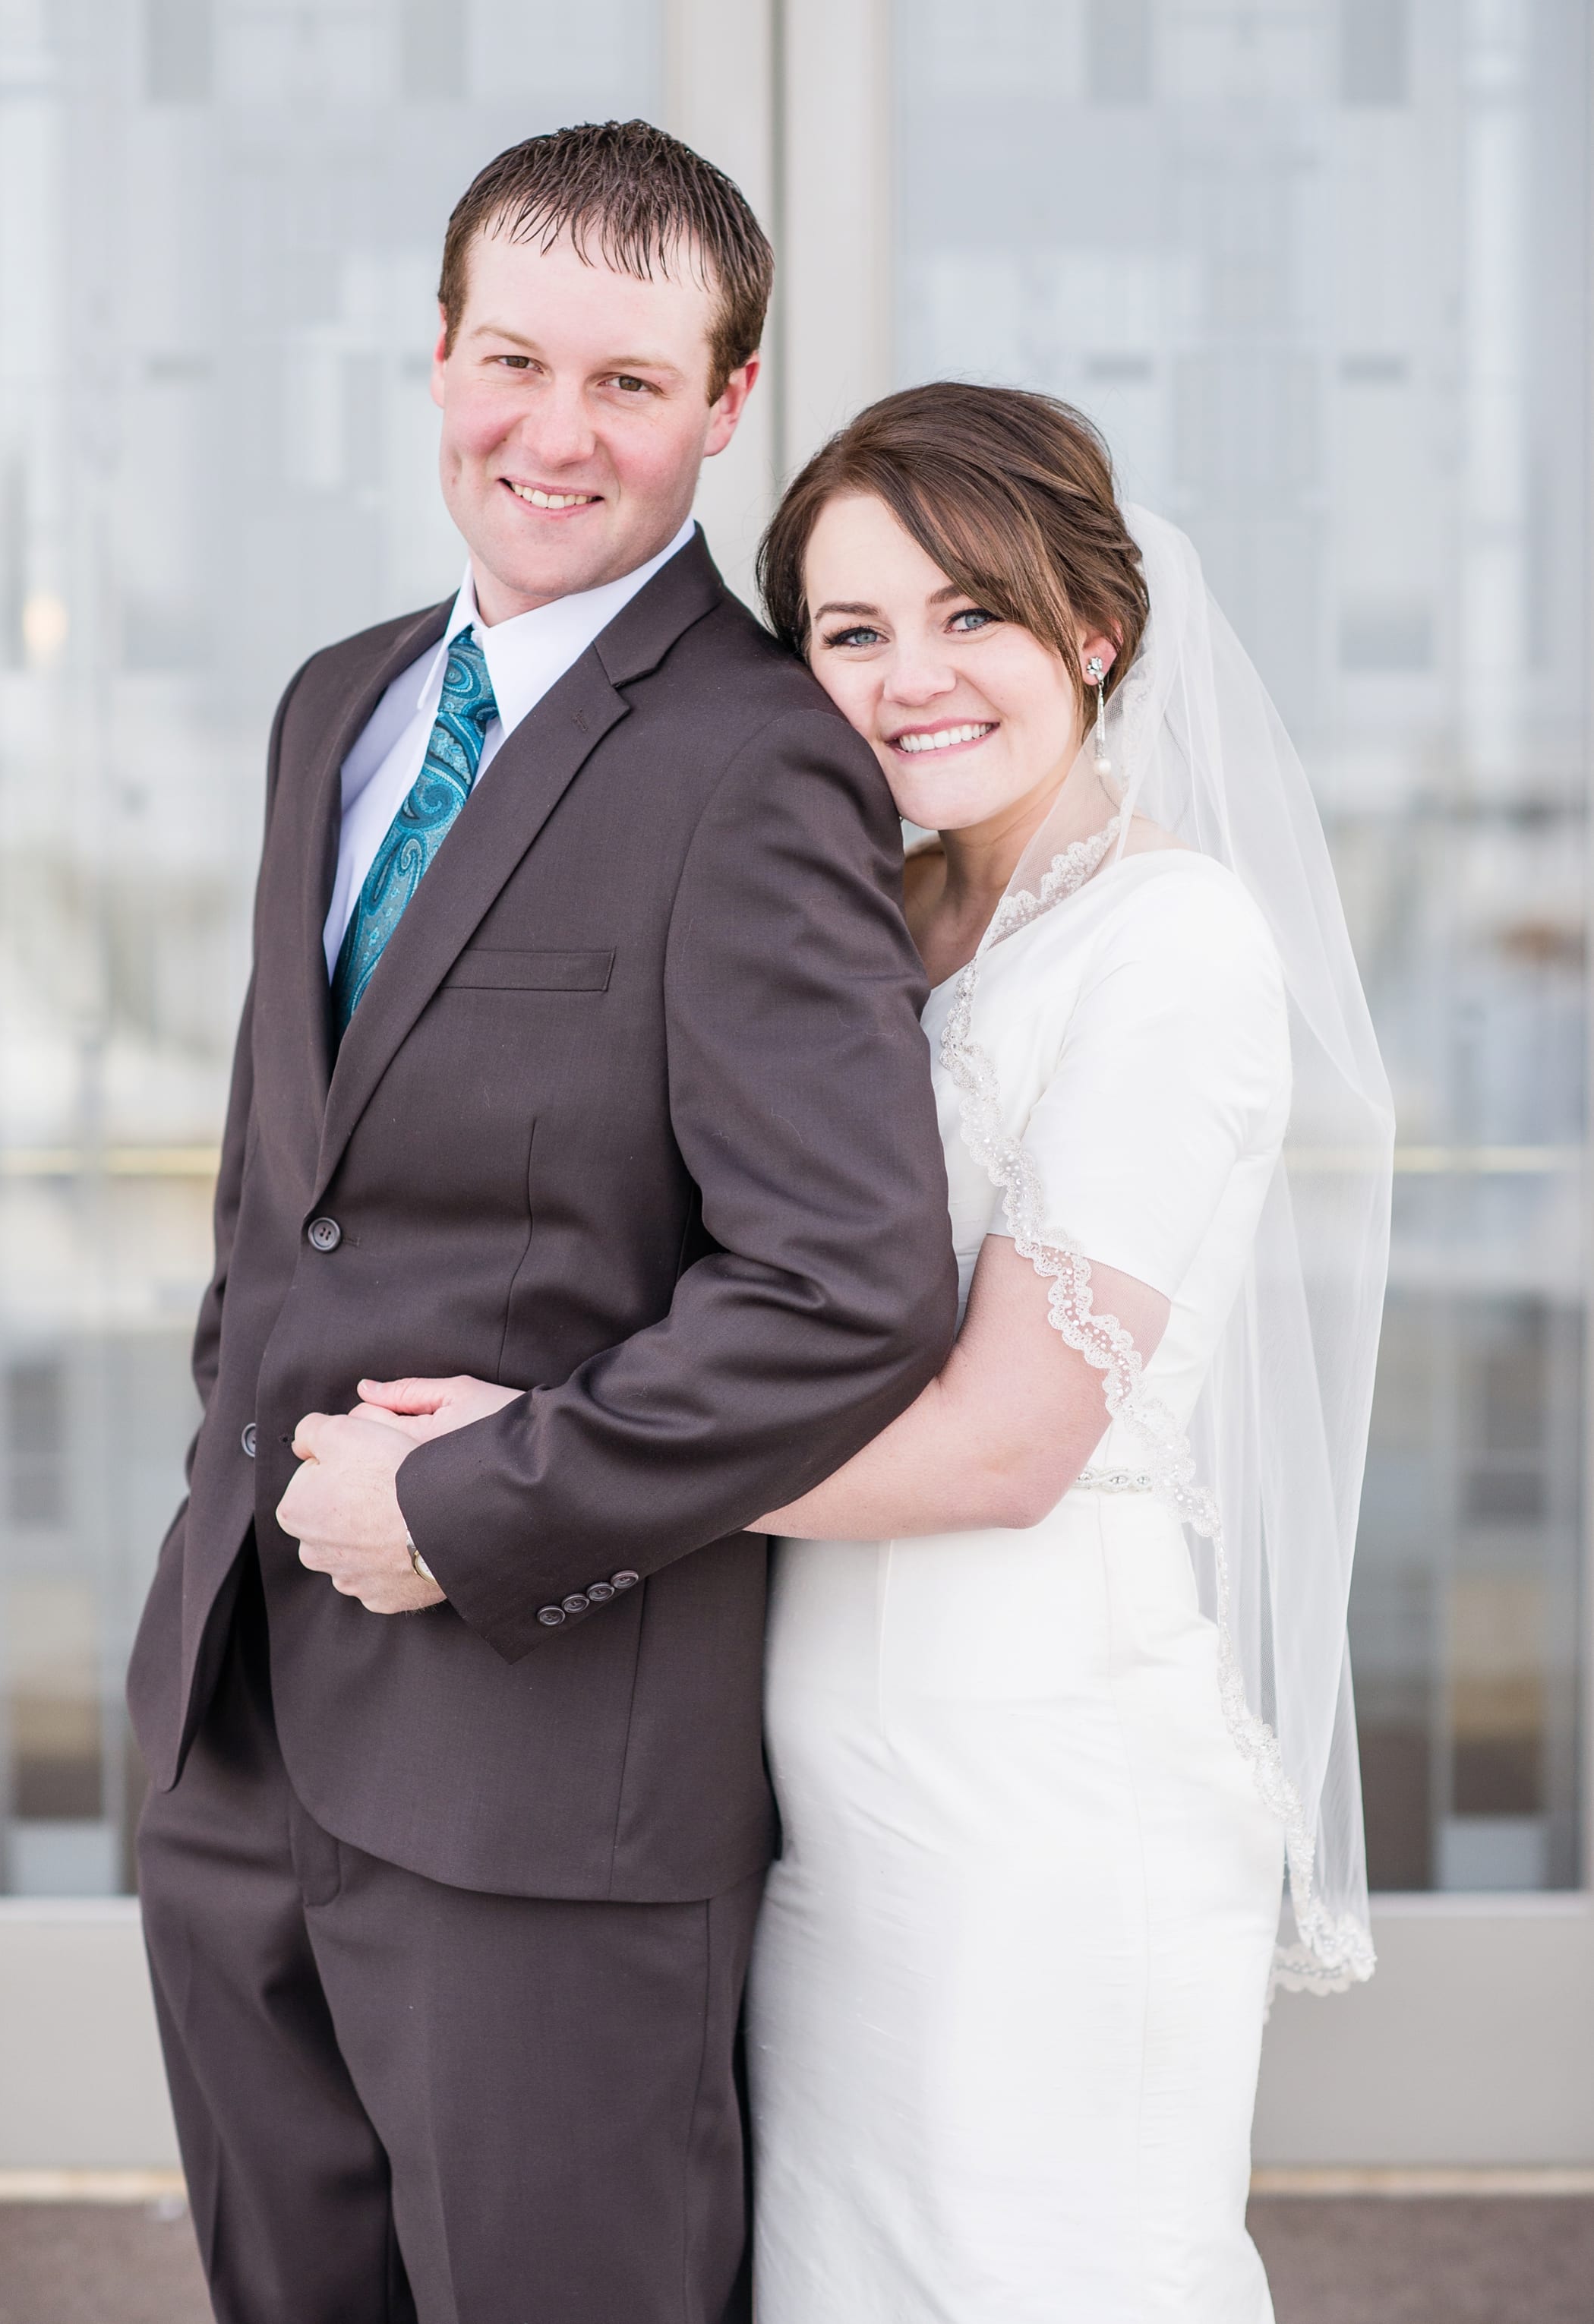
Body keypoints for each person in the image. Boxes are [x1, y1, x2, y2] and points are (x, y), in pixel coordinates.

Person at [126, 122, 956, 2324]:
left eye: (626, 380)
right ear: (436, 357)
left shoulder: (763, 758)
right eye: (514, 359)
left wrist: (481, 1497)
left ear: (725, 399)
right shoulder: (343, 699)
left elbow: (844, 1285)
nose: (553, 431)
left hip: (542, 1775)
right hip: (237, 1729)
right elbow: (279, 1201)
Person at [738, 384, 1395, 2322]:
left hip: (1041, 1782)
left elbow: (1009, 1445)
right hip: (825, 1772)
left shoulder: (1172, 946)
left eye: (973, 616)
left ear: (1094, 634)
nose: (912, 678)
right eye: (852, 631)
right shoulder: (883, 913)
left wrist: (550, 1480)